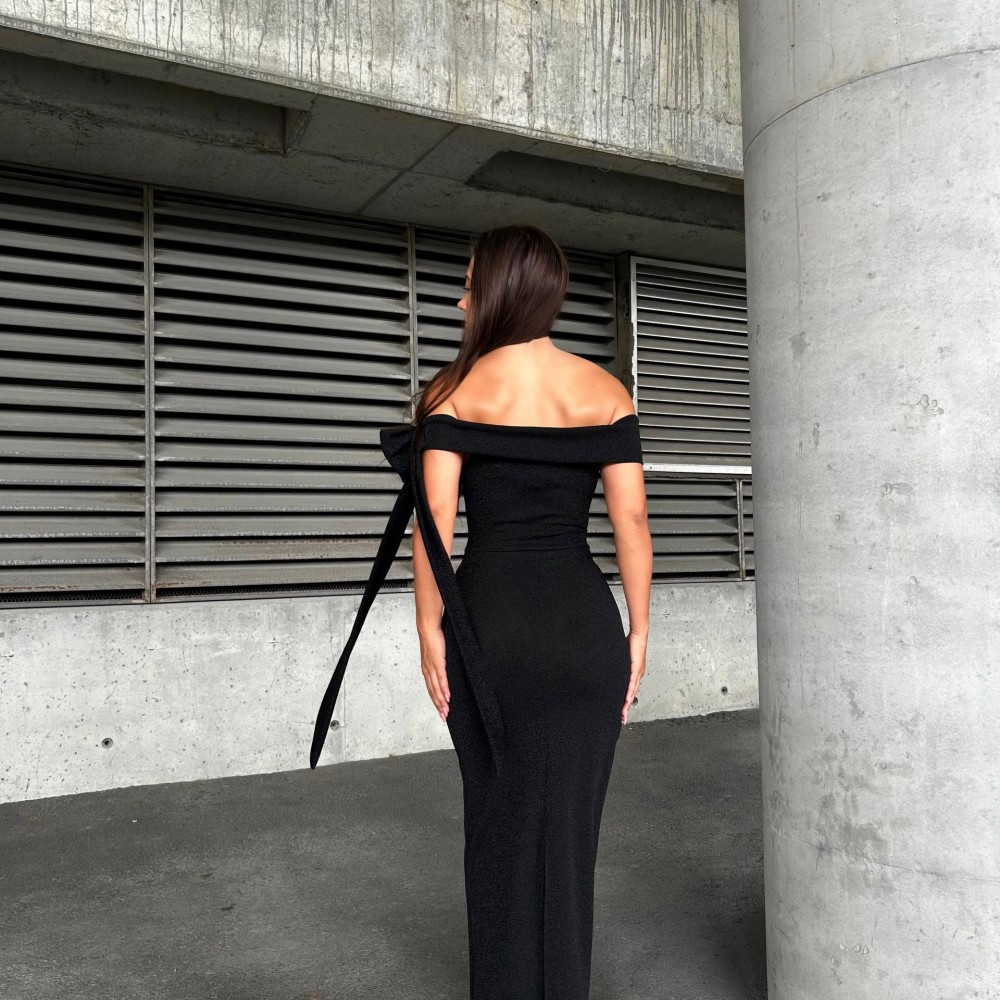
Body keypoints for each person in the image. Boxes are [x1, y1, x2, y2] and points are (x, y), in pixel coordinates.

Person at [311, 224, 653, 999]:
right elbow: (632, 523)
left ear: (500, 290)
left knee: (498, 825)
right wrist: (639, 632)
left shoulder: (452, 392)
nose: (461, 300)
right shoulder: (606, 393)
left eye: (468, 284)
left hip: (490, 632)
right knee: (570, 837)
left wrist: (428, 633)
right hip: (584, 631)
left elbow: (433, 525)